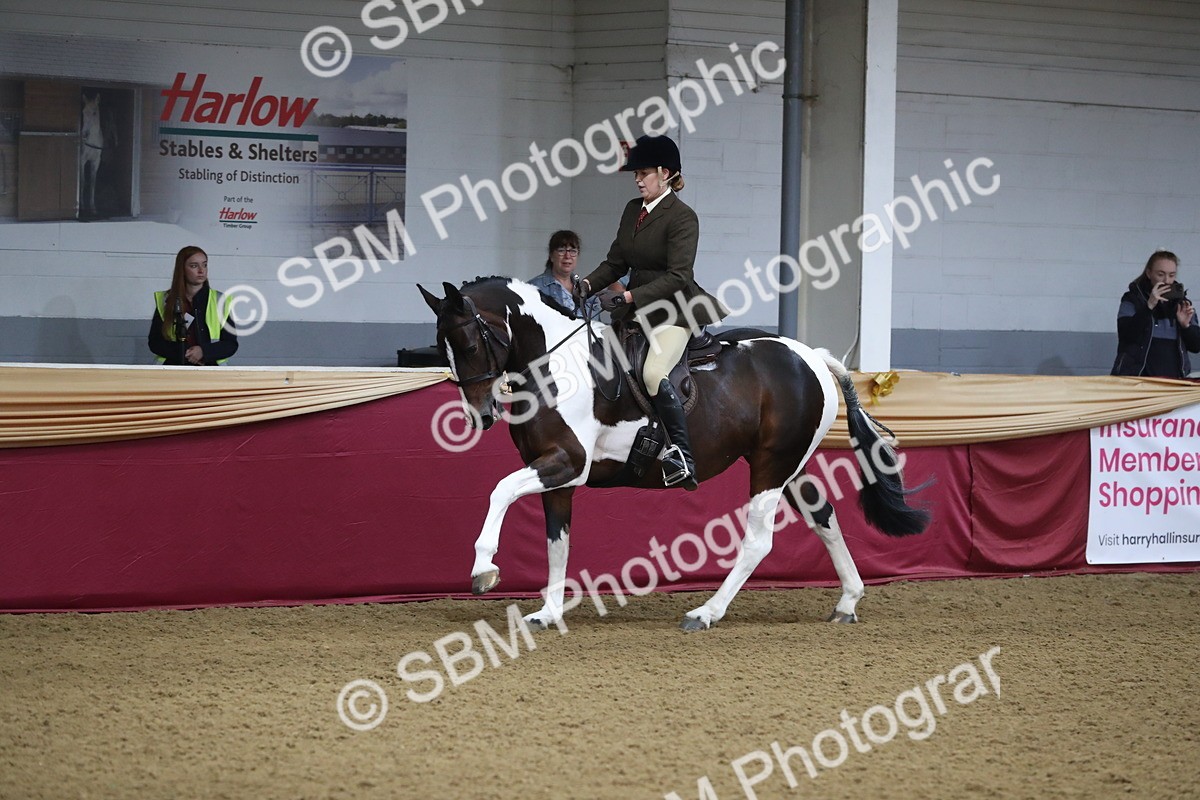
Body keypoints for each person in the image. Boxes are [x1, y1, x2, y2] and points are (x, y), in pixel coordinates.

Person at [579, 134, 728, 490]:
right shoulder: (633, 209)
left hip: (674, 309)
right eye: (636, 174)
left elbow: (679, 276)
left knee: (652, 372)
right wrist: (585, 284)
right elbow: (615, 261)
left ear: (665, 173)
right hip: (635, 308)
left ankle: (682, 455)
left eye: (643, 173)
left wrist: (629, 298)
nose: (637, 179)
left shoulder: (683, 217)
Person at [1112, 250, 1200, 378]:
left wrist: (1186, 327)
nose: (1167, 281)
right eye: (1160, 274)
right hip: (1138, 378)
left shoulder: (1182, 304)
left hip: (1173, 380)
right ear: (1149, 273)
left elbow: (1196, 346)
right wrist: (1149, 306)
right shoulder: (1132, 299)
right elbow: (1127, 336)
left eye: (1172, 275)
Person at [148, 246, 238, 366]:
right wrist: (186, 353)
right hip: (173, 368)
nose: (201, 270)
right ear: (182, 270)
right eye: (194, 266)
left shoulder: (219, 300)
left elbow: (230, 344)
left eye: (204, 265)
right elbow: (155, 343)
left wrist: (203, 352)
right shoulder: (165, 300)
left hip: (210, 369)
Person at [528, 230, 600, 318]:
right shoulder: (533, 289)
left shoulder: (586, 289)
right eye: (561, 250)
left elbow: (596, 325)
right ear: (551, 256)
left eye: (573, 251)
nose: (567, 256)